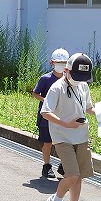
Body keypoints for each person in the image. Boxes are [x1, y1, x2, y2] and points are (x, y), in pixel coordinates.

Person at [41, 53, 95, 201]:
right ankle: (56, 200)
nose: (79, 80)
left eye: (83, 77)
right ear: (66, 71)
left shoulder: (83, 86)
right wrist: (65, 124)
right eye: (76, 76)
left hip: (81, 136)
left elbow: (88, 108)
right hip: (62, 137)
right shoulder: (57, 88)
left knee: (79, 177)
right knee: (72, 175)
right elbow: (45, 112)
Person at [32, 48, 69, 178]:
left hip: (63, 116)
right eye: (58, 62)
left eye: (64, 62)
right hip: (47, 116)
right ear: (52, 62)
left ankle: (63, 165)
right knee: (47, 142)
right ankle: (47, 166)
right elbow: (35, 93)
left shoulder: (69, 79)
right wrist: (46, 101)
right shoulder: (45, 78)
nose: (61, 65)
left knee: (64, 142)